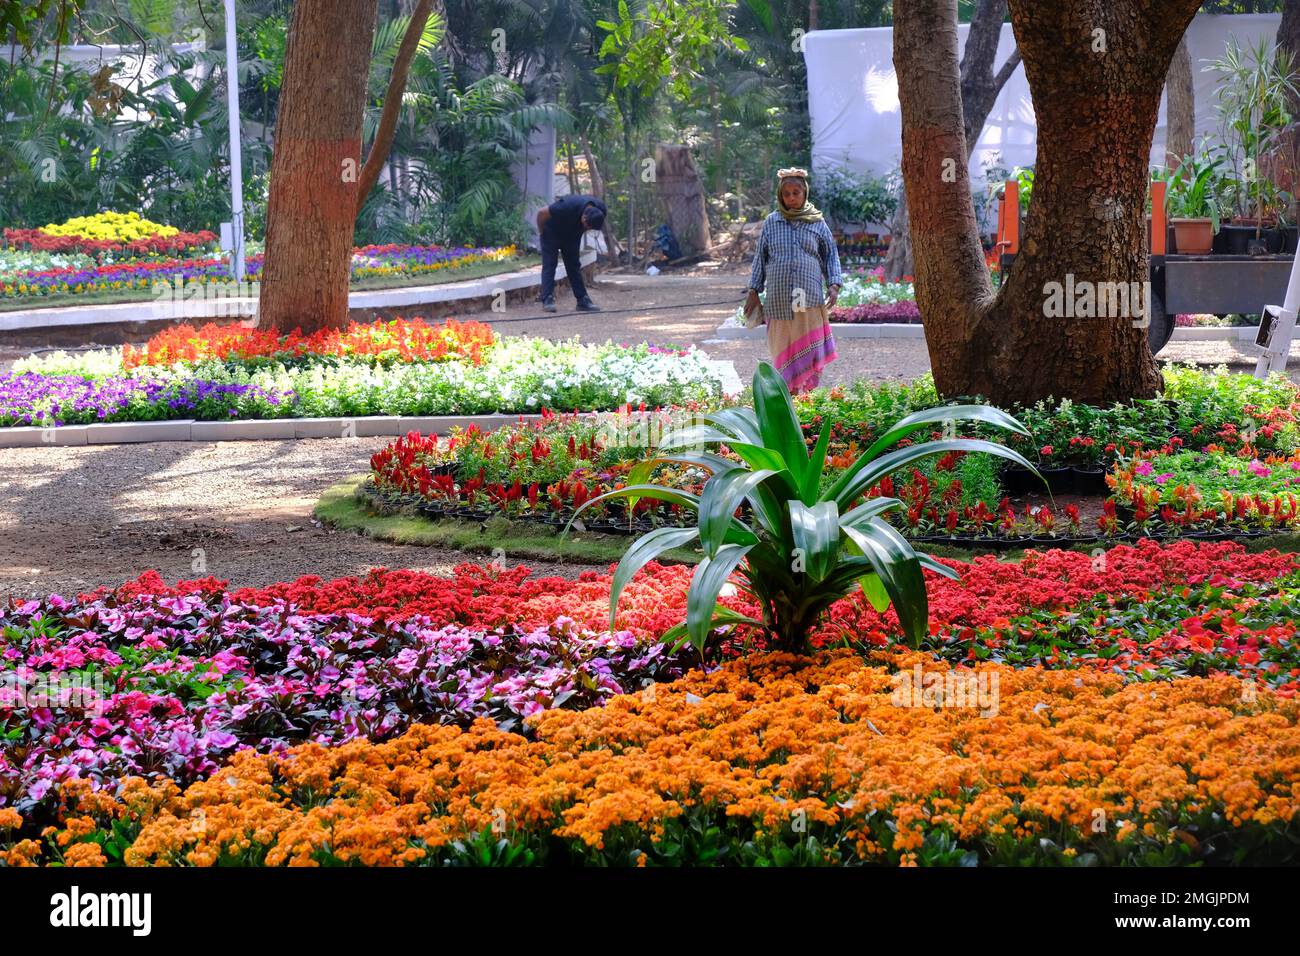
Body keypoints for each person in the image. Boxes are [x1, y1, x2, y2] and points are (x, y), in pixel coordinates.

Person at [744, 167, 842, 392]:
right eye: (786, 194)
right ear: (781, 196)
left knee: (809, 347)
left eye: (796, 192)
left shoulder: (817, 222)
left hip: (809, 298)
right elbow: (761, 257)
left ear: (804, 193)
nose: (791, 198)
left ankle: (806, 394)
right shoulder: (772, 222)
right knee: (782, 346)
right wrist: (753, 290)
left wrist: (834, 285)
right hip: (778, 301)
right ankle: (787, 391)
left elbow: (831, 255)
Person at [536, 194, 606, 312]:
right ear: (583, 217)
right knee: (550, 264)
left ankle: (582, 300)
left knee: (573, 266)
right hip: (551, 230)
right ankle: (547, 299)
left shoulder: (601, 210)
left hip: (572, 234)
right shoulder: (567, 206)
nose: (587, 229)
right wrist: (541, 231)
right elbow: (541, 213)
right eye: (587, 226)